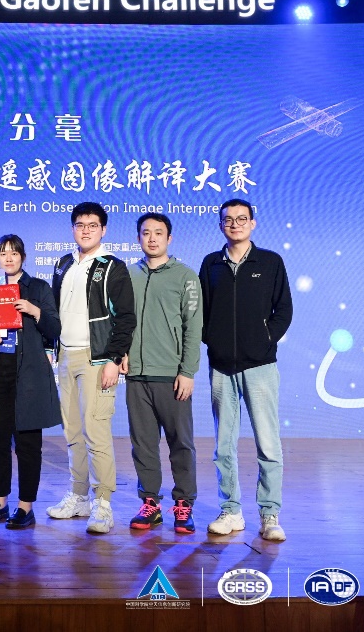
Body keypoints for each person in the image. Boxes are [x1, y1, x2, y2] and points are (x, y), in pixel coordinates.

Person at [199, 199, 293, 542]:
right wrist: (214, 340)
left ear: (253, 223)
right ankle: (231, 511)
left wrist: (264, 339)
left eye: (242, 219)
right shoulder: (211, 264)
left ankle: (270, 515)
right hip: (222, 366)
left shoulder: (270, 262)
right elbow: (201, 312)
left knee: (268, 444)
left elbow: (284, 310)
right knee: (224, 446)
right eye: (228, 219)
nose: (235, 224)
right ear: (221, 225)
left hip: (261, 365)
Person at [47, 201, 136, 534]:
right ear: (73, 228)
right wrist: (49, 348)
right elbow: (52, 311)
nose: (86, 231)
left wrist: (114, 358)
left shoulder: (113, 267)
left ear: (103, 230)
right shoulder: (63, 264)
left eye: (92, 225)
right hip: (66, 357)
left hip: (96, 359)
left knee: (95, 431)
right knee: (72, 431)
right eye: (80, 225)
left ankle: (103, 503)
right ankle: (79, 496)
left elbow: (126, 318)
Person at [121, 213, 202, 534]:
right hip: (136, 376)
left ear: (169, 238)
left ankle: (183, 505)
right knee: (143, 444)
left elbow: (193, 328)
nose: (152, 238)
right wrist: (121, 353)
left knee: (180, 443)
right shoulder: (129, 275)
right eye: (146, 233)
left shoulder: (185, 276)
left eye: (158, 233)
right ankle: (150, 503)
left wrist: (187, 371)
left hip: (172, 376)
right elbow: (120, 321)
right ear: (138, 238)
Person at [0, 235, 62, 529]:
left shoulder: (38, 288)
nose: (9, 258)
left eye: (14, 253)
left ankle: (26, 507)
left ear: (23, 256)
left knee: (27, 445)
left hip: (29, 375)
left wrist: (35, 311)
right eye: (3, 253)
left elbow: (55, 328)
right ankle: (0, 503)